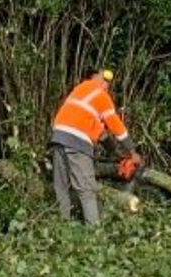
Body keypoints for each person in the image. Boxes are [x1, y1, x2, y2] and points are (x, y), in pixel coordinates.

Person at [50, 67, 139, 224]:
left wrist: (115, 153)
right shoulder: (100, 94)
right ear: (95, 78)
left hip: (58, 138)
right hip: (76, 141)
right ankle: (94, 234)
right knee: (87, 190)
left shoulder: (80, 91)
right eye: (104, 79)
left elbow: (101, 133)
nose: (106, 84)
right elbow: (115, 125)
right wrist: (132, 151)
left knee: (61, 186)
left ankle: (61, 227)